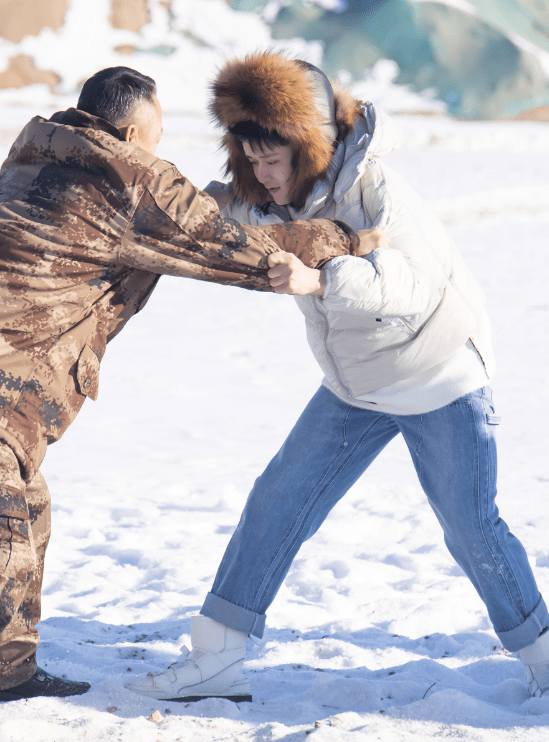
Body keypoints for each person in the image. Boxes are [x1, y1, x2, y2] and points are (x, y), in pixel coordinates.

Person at [127, 52, 549, 703]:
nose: (262, 176)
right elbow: (218, 218)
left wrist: (319, 279)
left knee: (470, 528)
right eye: (251, 160)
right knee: (277, 500)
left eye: (273, 160)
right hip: (354, 389)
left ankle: (542, 653)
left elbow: (412, 282)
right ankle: (217, 657)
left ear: (309, 146)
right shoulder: (267, 194)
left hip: (437, 374)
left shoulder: (376, 188)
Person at [0, 65, 375, 702]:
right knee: (9, 520)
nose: (159, 147)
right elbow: (239, 251)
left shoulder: (33, 152)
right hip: (10, 384)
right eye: (156, 134)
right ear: (127, 130)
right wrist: (346, 237)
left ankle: (10, 669)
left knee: (25, 511)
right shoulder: (129, 176)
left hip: (19, 385)